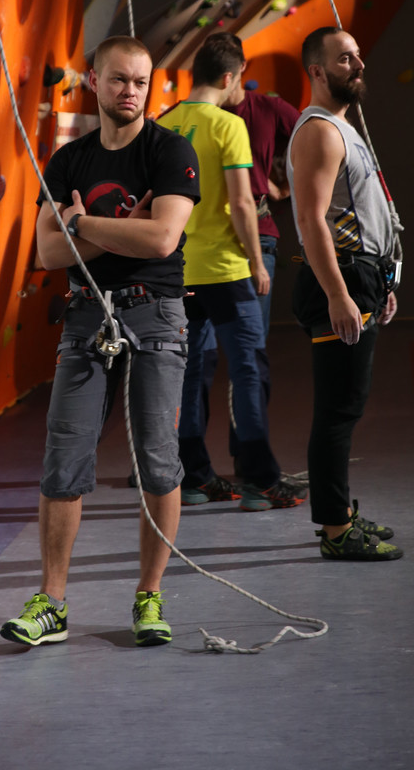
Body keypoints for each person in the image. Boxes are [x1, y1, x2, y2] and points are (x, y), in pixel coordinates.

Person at [0, 36, 200, 649]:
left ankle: (149, 595)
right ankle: (52, 603)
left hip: (154, 314)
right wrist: (118, 229)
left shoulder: (170, 151)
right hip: (87, 315)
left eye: (140, 81)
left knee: (157, 459)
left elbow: (162, 240)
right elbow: (47, 251)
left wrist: (81, 222)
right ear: (94, 81)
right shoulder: (68, 161)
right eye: (118, 79)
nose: (130, 91)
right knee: (64, 458)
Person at [157, 34, 305, 512]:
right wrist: (257, 263)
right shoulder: (228, 125)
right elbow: (242, 202)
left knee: (191, 370)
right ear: (228, 77)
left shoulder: (163, 125)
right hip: (226, 269)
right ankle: (260, 481)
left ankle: (195, 479)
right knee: (247, 368)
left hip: (180, 272)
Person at [286, 27, 403, 561]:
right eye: (344, 58)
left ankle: (341, 515)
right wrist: (339, 293)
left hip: (362, 278)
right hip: (342, 279)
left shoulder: (343, 127)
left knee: (346, 406)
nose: (358, 64)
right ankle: (335, 530)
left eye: (357, 55)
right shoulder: (319, 131)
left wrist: (382, 283)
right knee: (337, 410)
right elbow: (312, 220)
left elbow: (360, 213)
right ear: (316, 71)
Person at [220, 33, 300, 478]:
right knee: (195, 359)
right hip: (210, 242)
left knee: (250, 355)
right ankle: (184, 465)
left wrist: (282, 186)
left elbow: (314, 140)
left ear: (240, 72)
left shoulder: (268, 108)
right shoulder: (201, 115)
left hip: (259, 239)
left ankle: (248, 462)